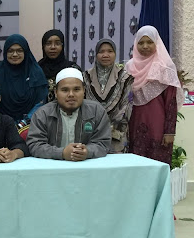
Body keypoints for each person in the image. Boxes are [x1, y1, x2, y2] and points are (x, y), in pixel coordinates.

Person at [125, 26, 184, 164]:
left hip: (158, 126)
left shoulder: (164, 67)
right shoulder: (130, 67)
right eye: (141, 42)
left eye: (150, 42)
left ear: (157, 43)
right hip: (134, 123)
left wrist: (169, 132)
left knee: (157, 163)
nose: (145, 46)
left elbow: (171, 103)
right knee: (135, 163)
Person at [27, 68, 111, 161]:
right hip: (52, 167)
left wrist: (87, 152)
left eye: (76, 89)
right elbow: (34, 145)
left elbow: (103, 143)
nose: (71, 94)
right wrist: (61, 153)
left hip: (87, 166)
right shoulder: (42, 114)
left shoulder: (96, 111)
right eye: (65, 90)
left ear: (84, 90)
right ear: (56, 92)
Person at [83, 38, 135, 153]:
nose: (105, 55)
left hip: (117, 134)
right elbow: (83, 105)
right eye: (101, 51)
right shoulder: (85, 77)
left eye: (110, 51)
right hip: (91, 133)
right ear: (96, 55)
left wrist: (111, 129)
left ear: (115, 54)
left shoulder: (125, 78)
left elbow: (126, 107)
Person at [0, 34, 47, 130]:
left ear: (26, 52)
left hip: (32, 126)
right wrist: (5, 122)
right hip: (2, 127)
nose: (15, 54)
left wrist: (24, 123)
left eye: (19, 50)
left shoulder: (36, 73)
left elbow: (40, 102)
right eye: (10, 51)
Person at [38, 29, 82, 102]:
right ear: (43, 46)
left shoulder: (72, 69)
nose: (53, 47)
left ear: (62, 46)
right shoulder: (37, 69)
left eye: (57, 43)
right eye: (48, 44)